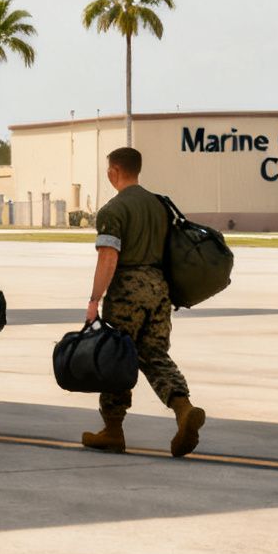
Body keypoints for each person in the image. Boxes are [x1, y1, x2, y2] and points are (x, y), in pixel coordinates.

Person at [81, 146, 206, 458]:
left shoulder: (113, 210)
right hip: (159, 290)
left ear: (114, 172)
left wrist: (95, 299)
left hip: (128, 291)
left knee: (115, 359)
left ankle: (113, 429)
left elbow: (108, 257)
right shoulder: (160, 206)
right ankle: (183, 408)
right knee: (154, 354)